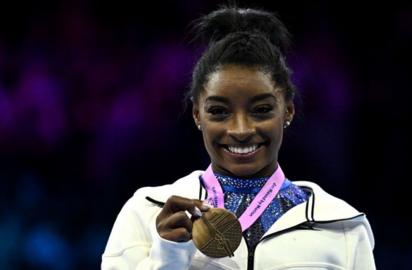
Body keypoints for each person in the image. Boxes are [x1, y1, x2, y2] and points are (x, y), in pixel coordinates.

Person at [102, 6, 376, 270]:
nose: (241, 130)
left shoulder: (342, 226)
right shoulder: (147, 213)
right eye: (219, 112)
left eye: (261, 110)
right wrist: (168, 255)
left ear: (288, 111)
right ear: (198, 115)